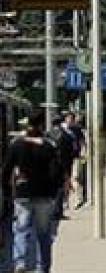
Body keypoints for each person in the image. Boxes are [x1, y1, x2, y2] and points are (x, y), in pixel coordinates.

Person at [3, 113, 66, 273]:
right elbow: (57, 172)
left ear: (27, 126)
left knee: (21, 230)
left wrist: (7, 190)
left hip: (23, 194)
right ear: (41, 126)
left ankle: (20, 263)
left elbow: (6, 170)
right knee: (44, 234)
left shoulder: (16, 145)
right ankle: (41, 267)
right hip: (45, 196)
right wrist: (54, 191)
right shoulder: (49, 146)